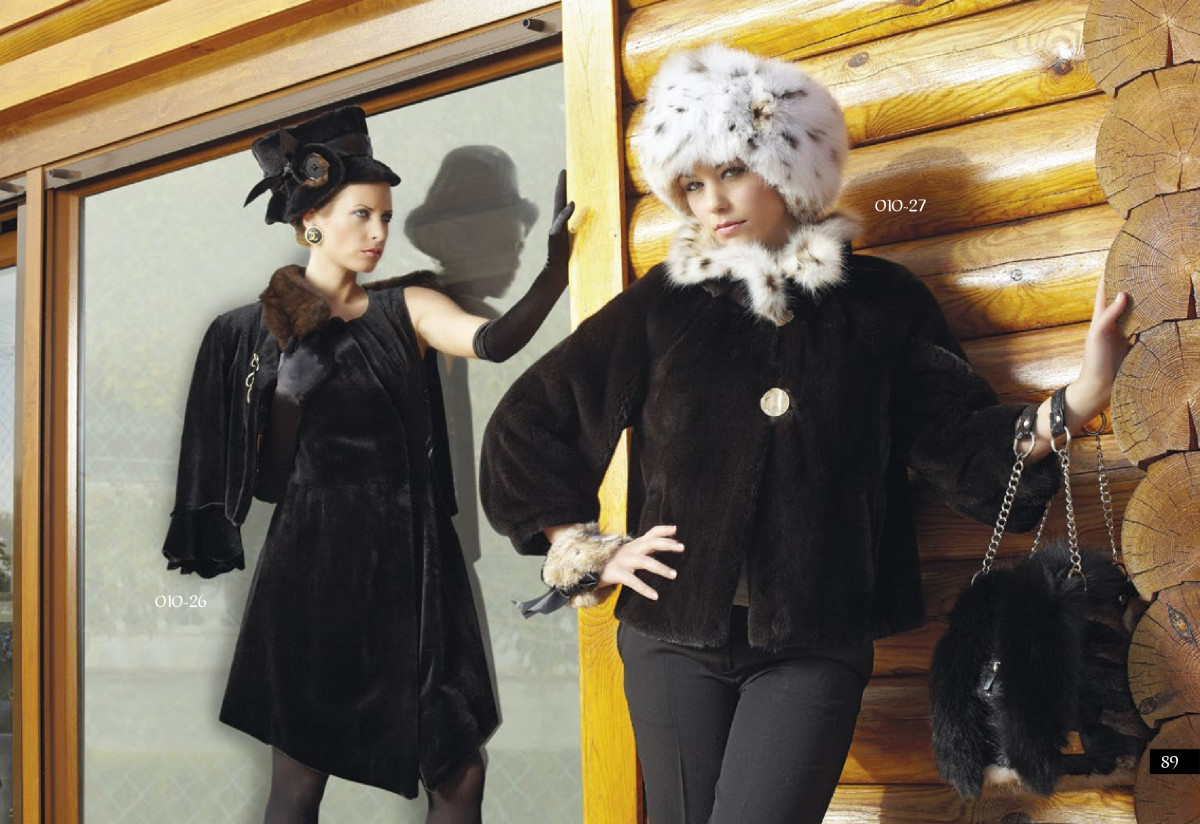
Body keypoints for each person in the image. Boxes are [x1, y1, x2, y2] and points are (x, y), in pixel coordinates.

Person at [478, 45, 1129, 824]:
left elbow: (959, 442)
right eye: (691, 183)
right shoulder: (665, 305)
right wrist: (585, 548)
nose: (712, 201)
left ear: (788, 166)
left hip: (816, 643)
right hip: (670, 637)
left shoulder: (881, 303)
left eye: (731, 171)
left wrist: (1081, 397)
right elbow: (530, 420)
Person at [161, 106, 573, 824]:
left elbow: (495, 342)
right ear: (311, 221)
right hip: (311, 570)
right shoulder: (248, 335)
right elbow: (265, 483)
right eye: (362, 215)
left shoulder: (408, 306)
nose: (379, 232)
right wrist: (288, 389)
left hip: (416, 564)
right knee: (298, 783)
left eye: (386, 216)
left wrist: (555, 270)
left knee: (460, 770)